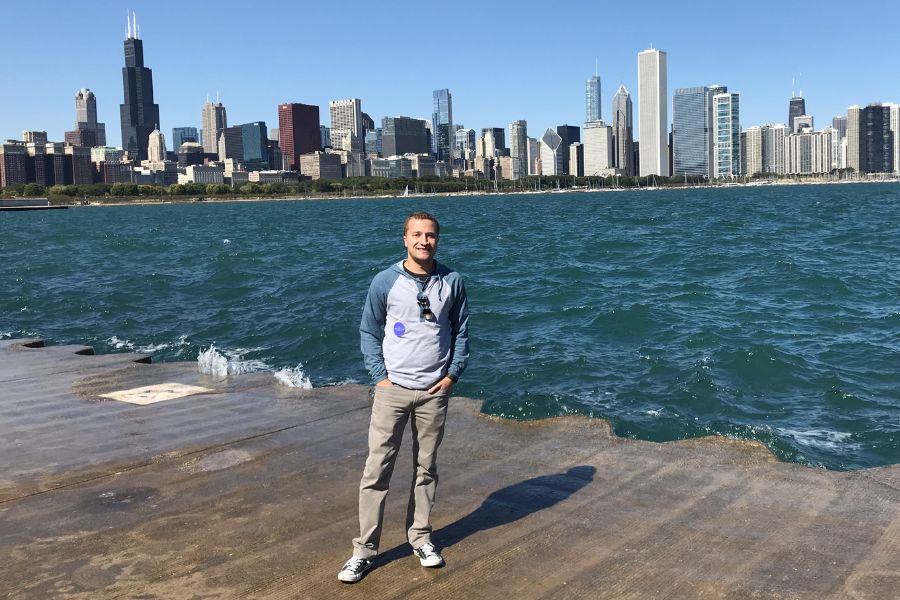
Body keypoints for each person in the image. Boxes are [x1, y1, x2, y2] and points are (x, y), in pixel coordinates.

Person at [338, 211, 470, 583]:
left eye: (430, 235)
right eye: (416, 235)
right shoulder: (385, 281)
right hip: (392, 391)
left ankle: (421, 537)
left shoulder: (453, 281)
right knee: (376, 469)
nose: (423, 241)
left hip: (434, 393)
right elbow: (368, 329)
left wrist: (451, 376)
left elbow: (461, 331)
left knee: (426, 469)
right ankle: (363, 551)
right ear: (404, 239)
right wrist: (379, 378)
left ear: (437, 240)